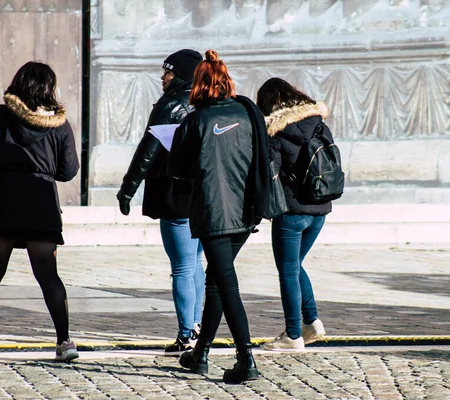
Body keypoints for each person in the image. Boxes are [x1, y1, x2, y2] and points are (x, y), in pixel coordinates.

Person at [0, 61, 80, 362]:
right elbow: (68, 171)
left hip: (1, 203)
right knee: (49, 276)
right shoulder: (59, 124)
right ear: (49, 88)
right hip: (40, 204)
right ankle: (64, 342)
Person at [169, 50, 272, 384]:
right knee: (216, 280)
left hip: (214, 212)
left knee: (225, 282)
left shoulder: (195, 121)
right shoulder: (247, 112)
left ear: (199, 85)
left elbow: (179, 170)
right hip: (246, 211)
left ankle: (247, 358)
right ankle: (200, 354)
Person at [116, 49, 205, 355]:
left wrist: (127, 189)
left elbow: (147, 150)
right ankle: (196, 326)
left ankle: (186, 334)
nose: (162, 77)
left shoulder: (171, 104)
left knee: (182, 267)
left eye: (167, 72)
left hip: (176, 196)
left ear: (180, 76)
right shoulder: (208, 102)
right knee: (195, 263)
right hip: (203, 196)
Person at [256, 77, 330, 350]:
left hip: (291, 212)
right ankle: (311, 322)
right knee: (295, 266)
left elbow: (269, 174)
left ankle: (293, 335)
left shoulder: (276, 131)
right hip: (319, 210)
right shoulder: (319, 123)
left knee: (287, 270)